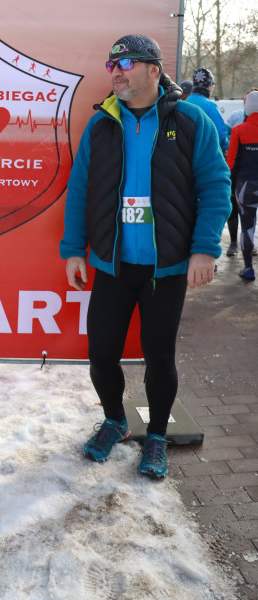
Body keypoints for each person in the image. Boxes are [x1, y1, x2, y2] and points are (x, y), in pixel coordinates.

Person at [60, 34, 231, 479]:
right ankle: (115, 421)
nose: (116, 71)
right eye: (111, 64)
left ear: (153, 70)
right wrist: (74, 249)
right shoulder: (101, 125)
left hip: (167, 267)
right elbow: (80, 191)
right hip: (113, 265)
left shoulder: (191, 120)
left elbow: (215, 186)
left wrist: (204, 249)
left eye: (127, 63)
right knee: (101, 354)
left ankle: (155, 435)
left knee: (159, 355)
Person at [226, 90, 258, 281]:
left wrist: (228, 183)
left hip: (246, 186)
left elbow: (231, 161)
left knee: (247, 226)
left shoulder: (238, 130)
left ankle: (248, 269)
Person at [186, 67, 228, 152]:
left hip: (184, 156)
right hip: (203, 157)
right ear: (209, 87)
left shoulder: (184, 103)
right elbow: (219, 135)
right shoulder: (209, 106)